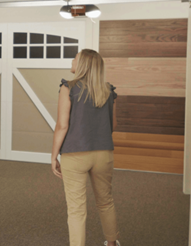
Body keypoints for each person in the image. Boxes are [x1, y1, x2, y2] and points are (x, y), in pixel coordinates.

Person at [51, 49, 120, 246]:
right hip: (104, 154)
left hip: (75, 154)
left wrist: (53, 155)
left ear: (83, 65)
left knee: (76, 209)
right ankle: (112, 243)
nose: (72, 60)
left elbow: (62, 125)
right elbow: (113, 124)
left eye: (76, 58)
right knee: (105, 201)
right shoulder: (108, 90)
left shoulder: (69, 88)